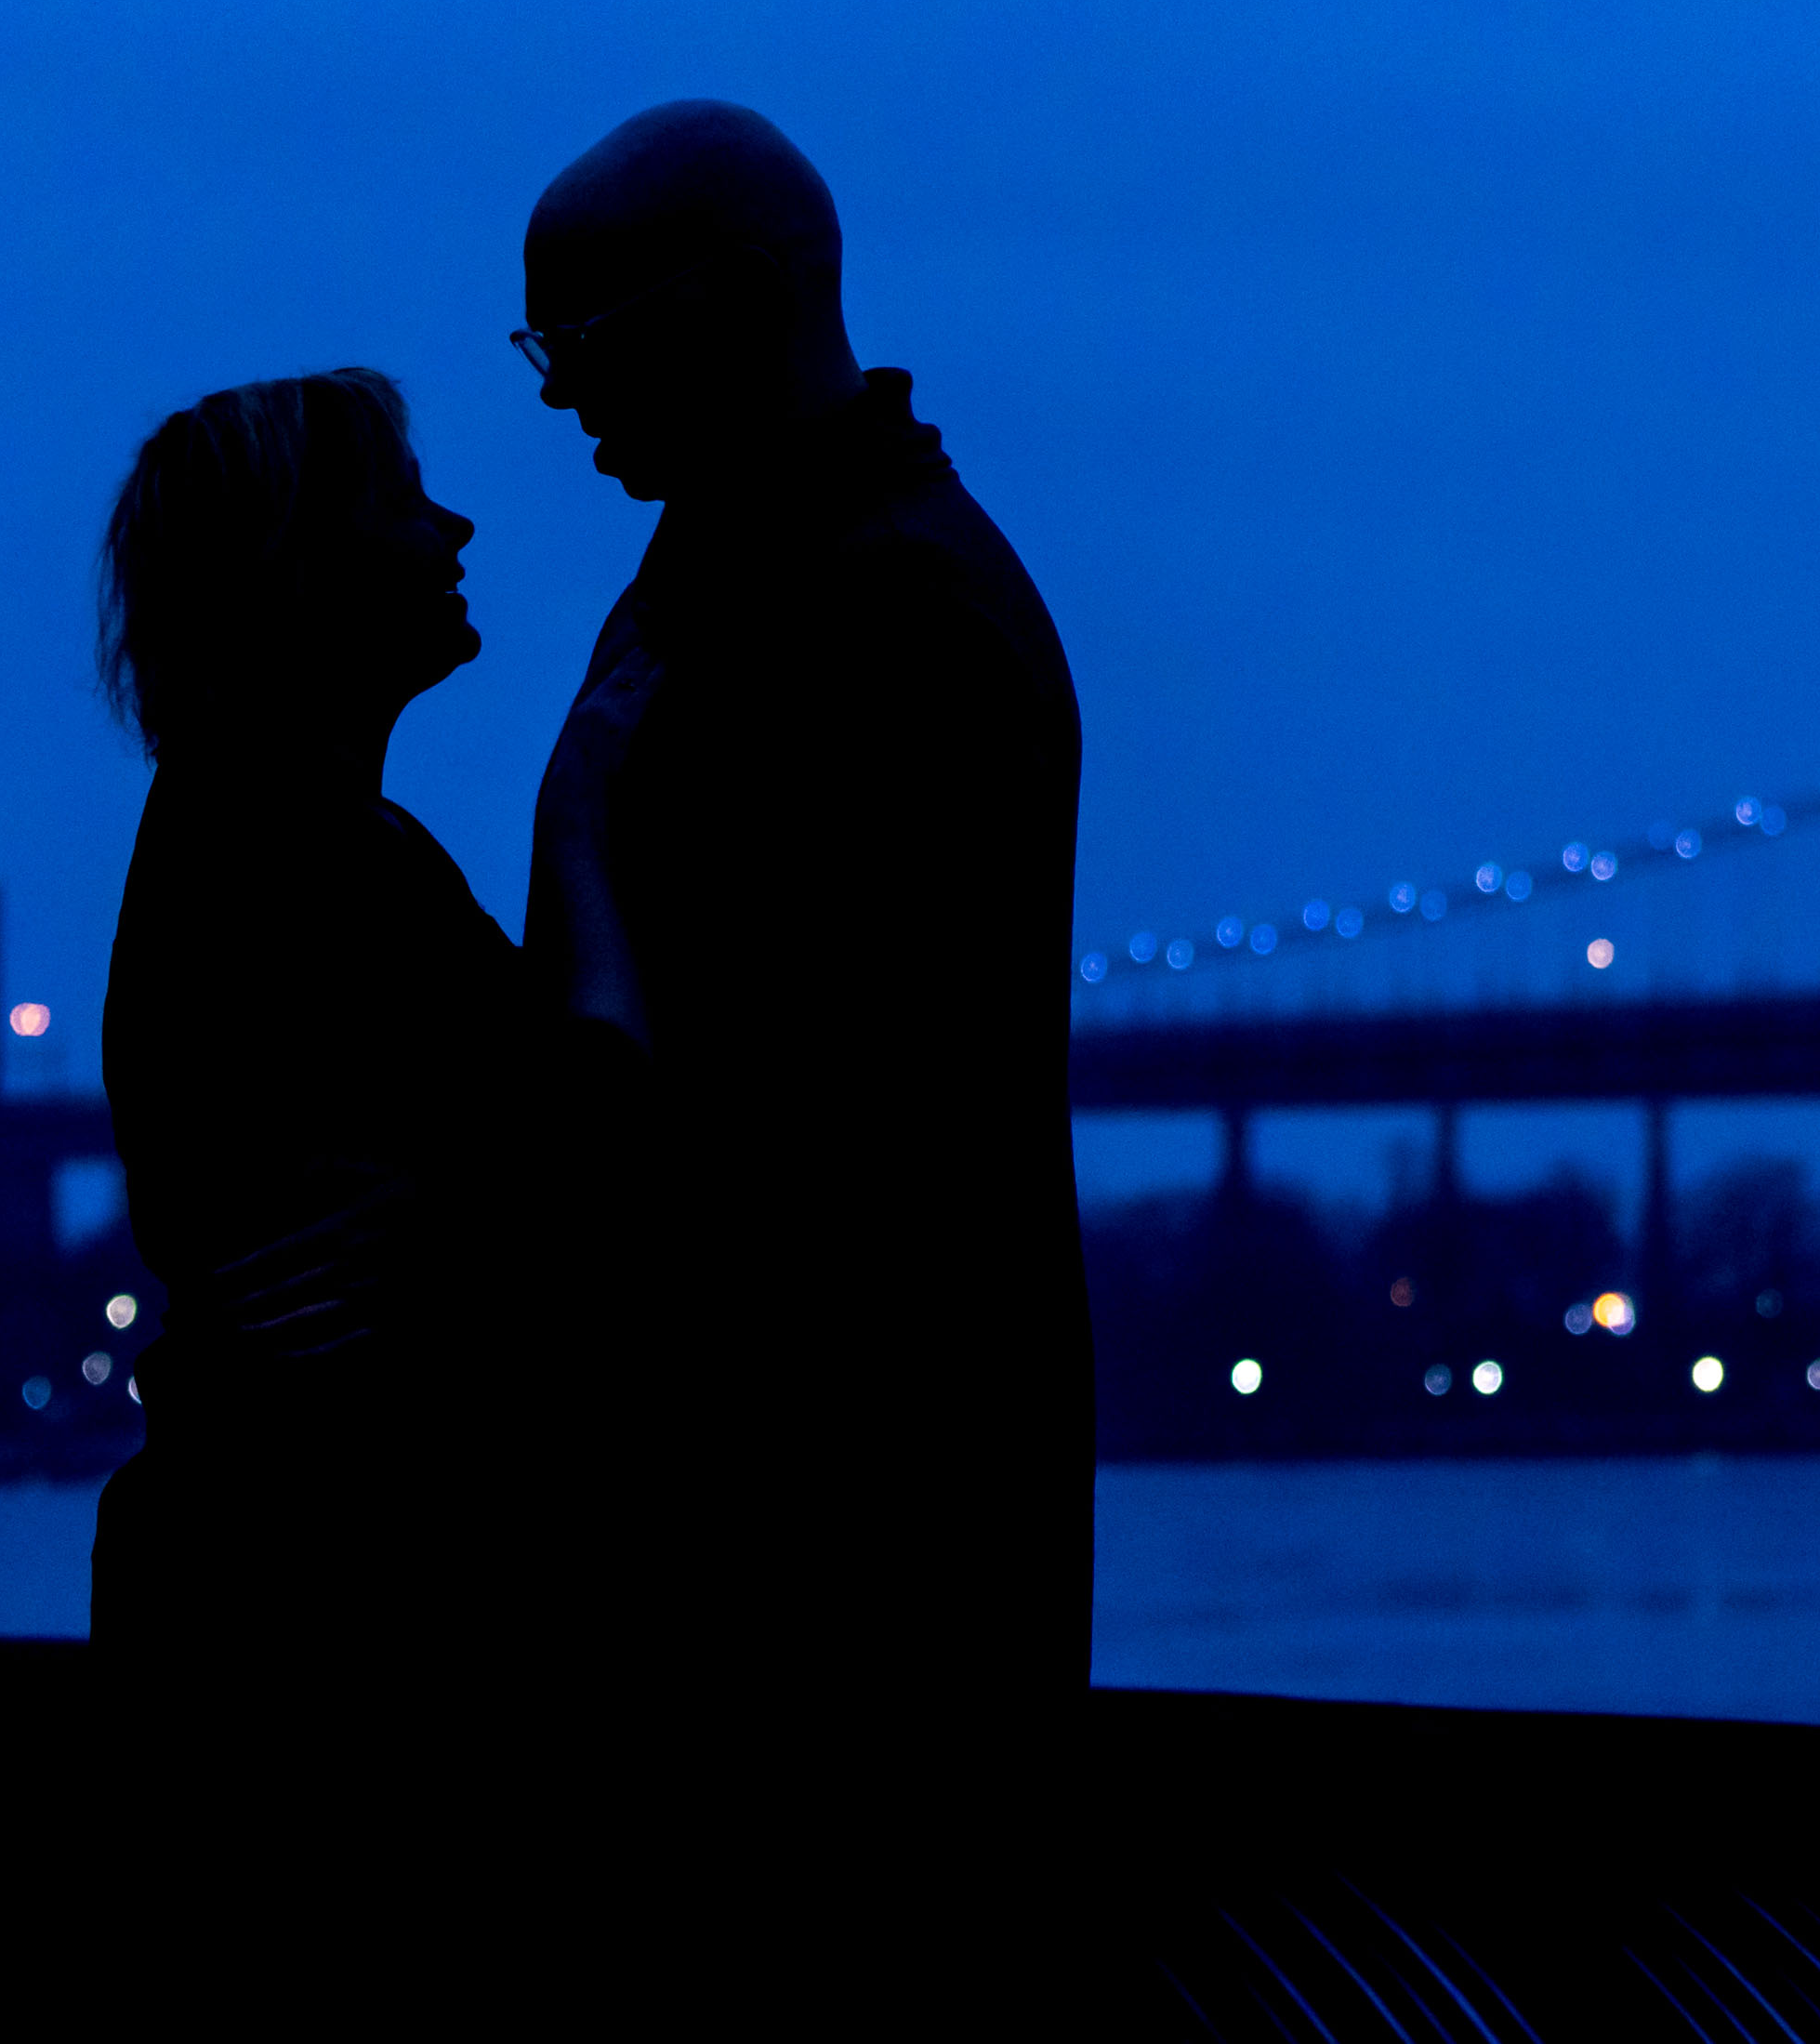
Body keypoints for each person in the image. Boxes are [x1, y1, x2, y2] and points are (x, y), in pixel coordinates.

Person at [514, 101, 1092, 1750]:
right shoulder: (759, 571)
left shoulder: (886, 617)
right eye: (538, 347)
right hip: (788, 1562)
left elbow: (763, 1136)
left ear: (745, 290)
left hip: (832, 1586)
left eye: (587, 337)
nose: (560, 396)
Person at [81, 367, 575, 2000]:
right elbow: (603, 1141)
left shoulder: (236, 841)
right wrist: (596, 837)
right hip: (342, 1669)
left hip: (233, 1630)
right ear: (300, 563)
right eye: (398, 497)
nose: (452, 522)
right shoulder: (325, 868)